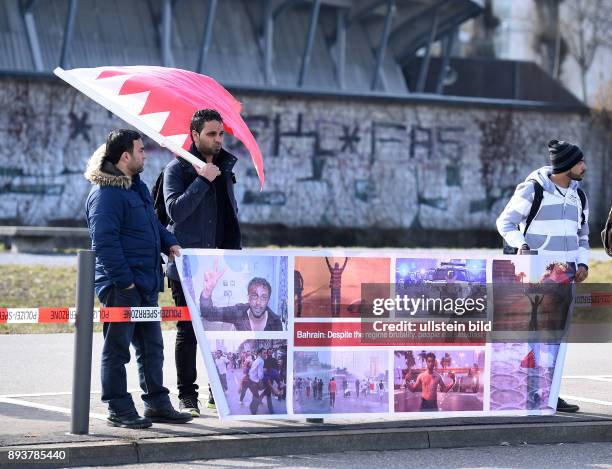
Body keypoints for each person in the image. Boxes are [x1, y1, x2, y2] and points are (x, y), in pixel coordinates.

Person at [84, 129, 192, 429]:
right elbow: (104, 244)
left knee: (151, 347)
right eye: (140, 150)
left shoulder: (137, 188)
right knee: (117, 350)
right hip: (122, 287)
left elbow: (153, 225)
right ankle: (118, 408)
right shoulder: (105, 195)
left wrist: (169, 241)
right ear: (125, 156)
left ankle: (157, 404)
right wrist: (125, 282)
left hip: (146, 283)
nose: (145, 154)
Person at [497, 139, 589, 413]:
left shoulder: (579, 195)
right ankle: (526, 392)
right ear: (565, 165)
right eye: (580, 162)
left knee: (556, 338)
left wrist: (582, 263)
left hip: (566, 278)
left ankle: (550, 394)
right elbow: (505, 222)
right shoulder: (533, 189)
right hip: (536, 276)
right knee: (532, 337)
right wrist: (521, 245)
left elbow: (582, 235)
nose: (584, 167)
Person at [163, 109, 241, 416]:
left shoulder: (226, 168)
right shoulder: (177, 169)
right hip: (186, 264)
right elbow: (175, 213)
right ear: (195, 136)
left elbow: (229, 216)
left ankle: (217, 392)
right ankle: (187, 396)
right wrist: (200, 180)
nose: (218, 140)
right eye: (211, 134)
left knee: (220, 329)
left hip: (220, 264)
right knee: (189, 329)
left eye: (221, 134)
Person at [199, 264, 283, 331]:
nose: (258, 303)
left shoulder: (276, 322)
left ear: (268, 300)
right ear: (248, 298)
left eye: (263, 297)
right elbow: (208, 313)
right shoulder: (238, 312)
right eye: (254, 296)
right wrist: (207, 292)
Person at [247, 348, 265, 415]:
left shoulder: (257, 360)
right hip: (254, 381)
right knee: (256, 396)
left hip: (251, 379)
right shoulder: (261, 361)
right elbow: (260, 374)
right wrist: (262, 378)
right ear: (260, 353)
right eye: (264, 353)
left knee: (255, 395)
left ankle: (253, 409)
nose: (265, 354)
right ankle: (253, 411)